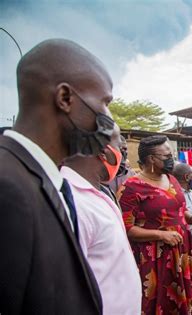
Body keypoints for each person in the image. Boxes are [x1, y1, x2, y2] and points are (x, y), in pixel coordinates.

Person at [0, 39, 113, 313]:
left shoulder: (45, 179)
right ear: (65, 98)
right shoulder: (7, 187)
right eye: (104, 102)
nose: (108, 117)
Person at [120, 135, 192, 315]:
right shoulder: (131, 187)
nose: (171, 160)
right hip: (156, 257)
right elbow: (126, 228)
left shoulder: (171, 179)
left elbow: (177, 208)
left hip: (183, 251)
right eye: (166, 156)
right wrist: (160, 235)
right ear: (151, 159)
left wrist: (191, 217)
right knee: (161, 302)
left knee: (186, 301)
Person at [61, 124, 141, 314]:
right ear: (103, 151)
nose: (123, 152)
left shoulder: (100, 191)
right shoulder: (71, 201)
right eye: (119, 145)